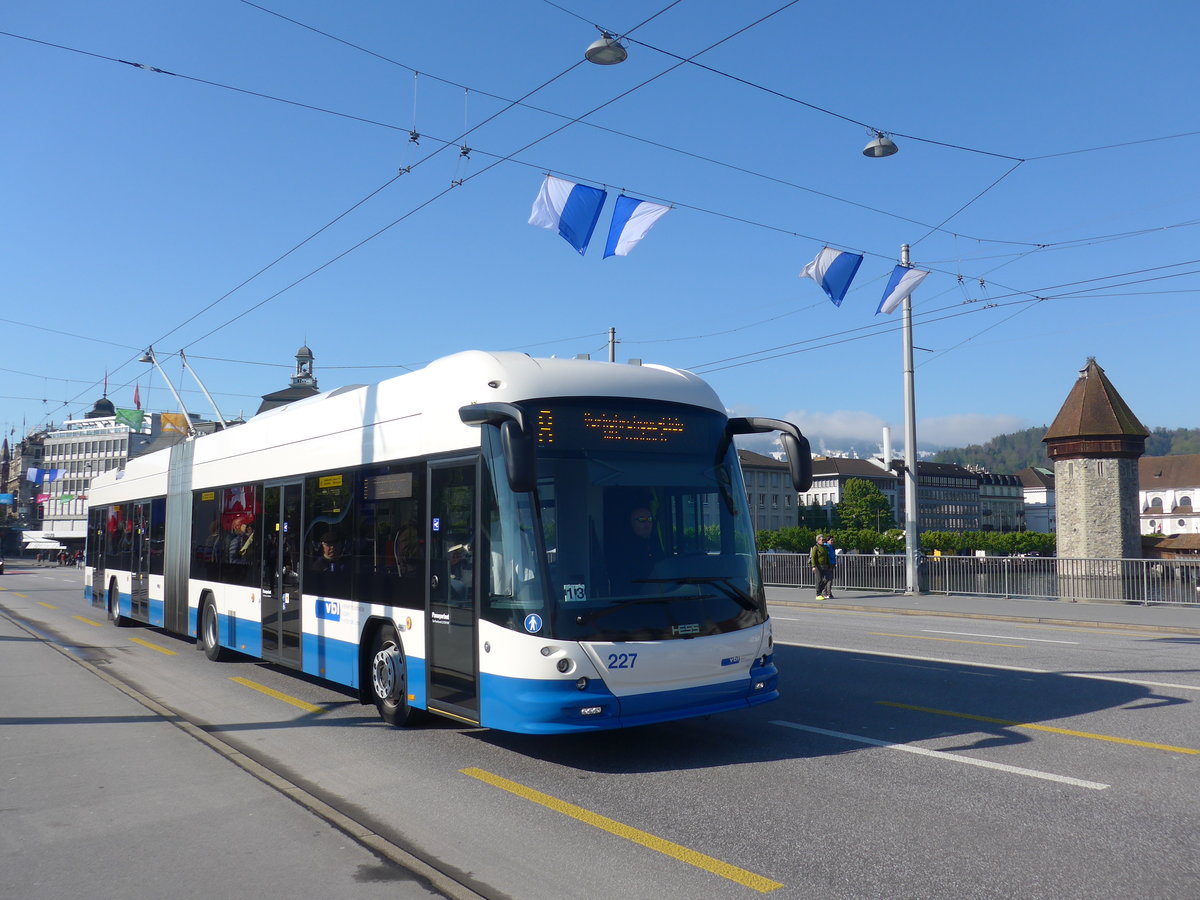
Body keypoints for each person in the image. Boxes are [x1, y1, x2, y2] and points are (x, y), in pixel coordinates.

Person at [811, 534, 831, 600]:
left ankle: (820, 591)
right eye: (822, 540)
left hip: (825, 565)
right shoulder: (815, 547)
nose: (823, 541)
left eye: (824, 540)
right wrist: (813, 566)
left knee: (827, 578)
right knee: (819, 580)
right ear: (818, 540)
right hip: (818, 566)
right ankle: (818, 594)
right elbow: (813, 557)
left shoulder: (824, 547)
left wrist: (829, 564)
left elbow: (827, 556)